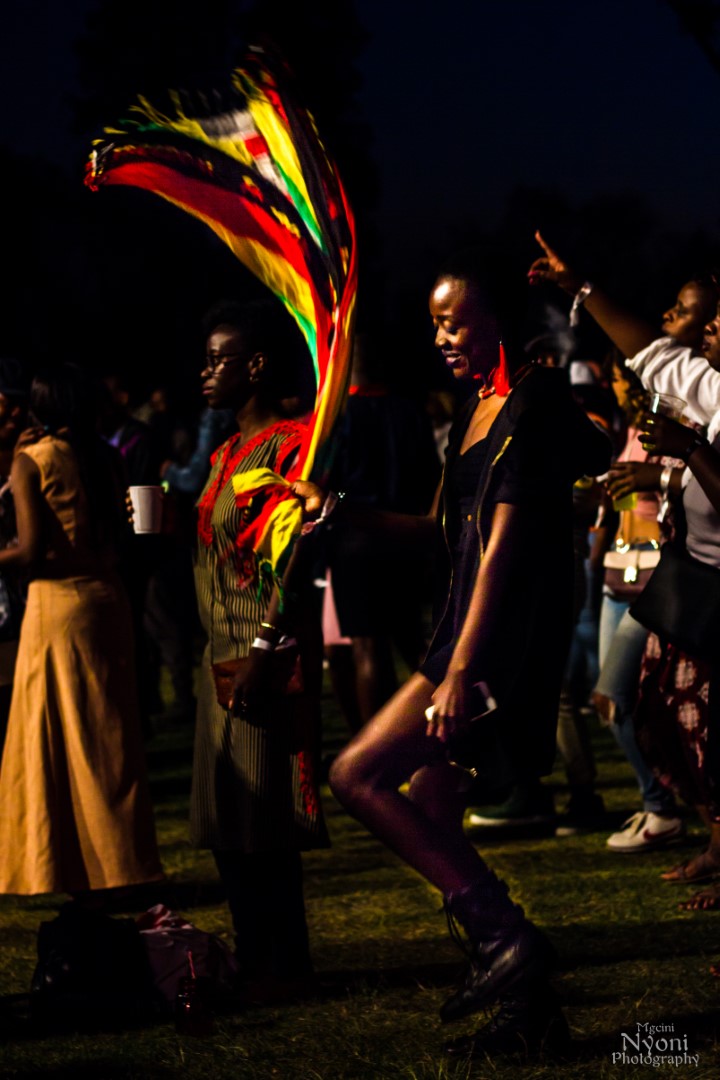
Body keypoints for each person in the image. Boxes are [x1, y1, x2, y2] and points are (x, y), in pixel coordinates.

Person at [324, 254, 610, 1059]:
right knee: (432, 809)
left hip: (494, 645)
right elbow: (443, 533)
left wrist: (458, 672)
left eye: (453, 321)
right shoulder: (473, 409)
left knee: (356, 775)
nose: (441, 337)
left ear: (494, 320)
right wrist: (339, 514)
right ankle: (530, 1013)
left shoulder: (530, 403)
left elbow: (502, 552)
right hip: (462, 632)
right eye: (434, 324)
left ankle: (508, 938)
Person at [190, 298, 327, 1002]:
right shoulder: (223, 454)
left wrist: (268, 648)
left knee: (265, 817)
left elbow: (295, 555)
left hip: (258, 647)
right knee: (230, 818)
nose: (206, 372)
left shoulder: (290, 445)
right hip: (218, 647)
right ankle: (255, 958)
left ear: (258, 366)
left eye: (220, 360)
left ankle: (284, 963)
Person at [0, 364, 163, 897]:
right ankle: (123, 862)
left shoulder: (35, 460)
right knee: (109, 737)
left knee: (56, 738)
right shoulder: (106, 455)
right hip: (107, 598)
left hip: (56, 604)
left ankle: (66, 866)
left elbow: (29, 549)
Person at [593, 360, 683, 851]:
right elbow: (627, 504)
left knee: (615, 696)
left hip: (654, 574)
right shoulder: (631, 428)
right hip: (619, 571)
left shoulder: (674, 425)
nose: (612, 383)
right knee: (609, 702)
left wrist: (649, 482)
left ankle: (665, 805)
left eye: (618, 374)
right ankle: (659, 803)